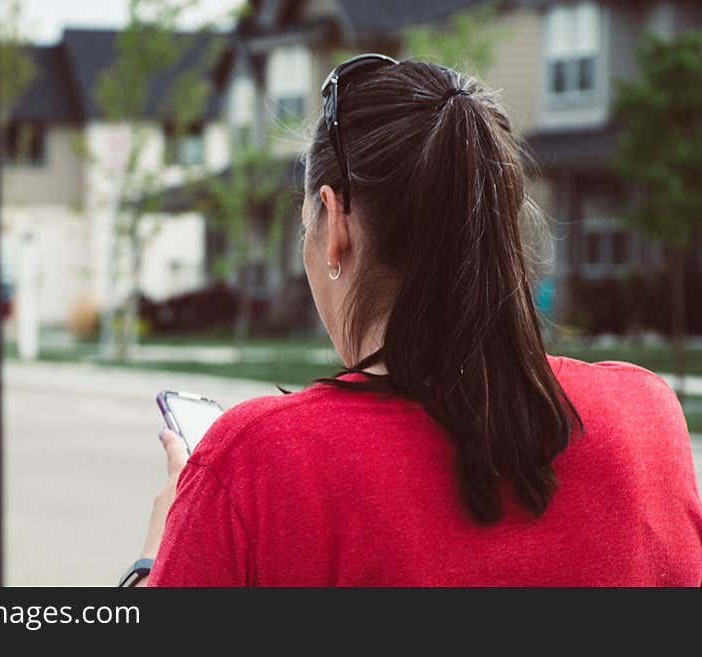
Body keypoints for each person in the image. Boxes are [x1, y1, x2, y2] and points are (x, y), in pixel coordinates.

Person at [123, 57, 702, 586]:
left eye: (307, 224)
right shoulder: (645, 420)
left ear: (335, 223)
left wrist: (156, 557)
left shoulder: (256, 465)